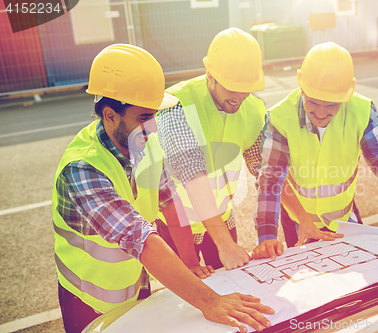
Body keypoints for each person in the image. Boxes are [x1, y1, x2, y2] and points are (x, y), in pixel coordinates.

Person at [52, 43, 274, 333]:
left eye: (155, 115)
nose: (154, 127)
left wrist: (190, 262)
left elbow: (170, 202)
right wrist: (210, 301)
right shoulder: (82, 168)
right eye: (144, 118)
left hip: (136, 285)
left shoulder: (145, 145)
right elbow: (140, 238)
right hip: (87, 299)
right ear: (110, 115)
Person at [252, 42, 378, 260]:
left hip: (345, 217)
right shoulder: (280, 118)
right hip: (299, 221)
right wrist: (266, 236)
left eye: (331, 105)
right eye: (313, 102)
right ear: (301, 87)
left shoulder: (363, 112)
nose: (320, 113)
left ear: (347, 94)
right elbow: (270, 177)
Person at [156, 27, 267, 271]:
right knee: (188, 298)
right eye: (231, 87)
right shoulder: (175, 105)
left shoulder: (254, 109)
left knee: (231, 287)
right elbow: (191, 174)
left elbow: (264, 170)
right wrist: (225, 245)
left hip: (223, 219)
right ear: (210, 75)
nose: (239, 97)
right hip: (178, 227)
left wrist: (267, 234)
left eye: (246, 87)